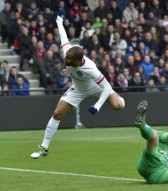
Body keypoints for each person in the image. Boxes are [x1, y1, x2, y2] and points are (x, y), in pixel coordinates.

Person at [30, 10, 125, 159]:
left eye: (68, 59)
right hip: (77, 89)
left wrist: (97, 106)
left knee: (119, 106)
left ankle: (119, 98)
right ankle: (44, 147)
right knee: (57, 113)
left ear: (77, 61)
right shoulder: (69, 52)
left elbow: (107, 87)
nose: (65, 59)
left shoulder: (90, 68)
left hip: (97, 87)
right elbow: (63, 37)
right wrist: (59, 21)